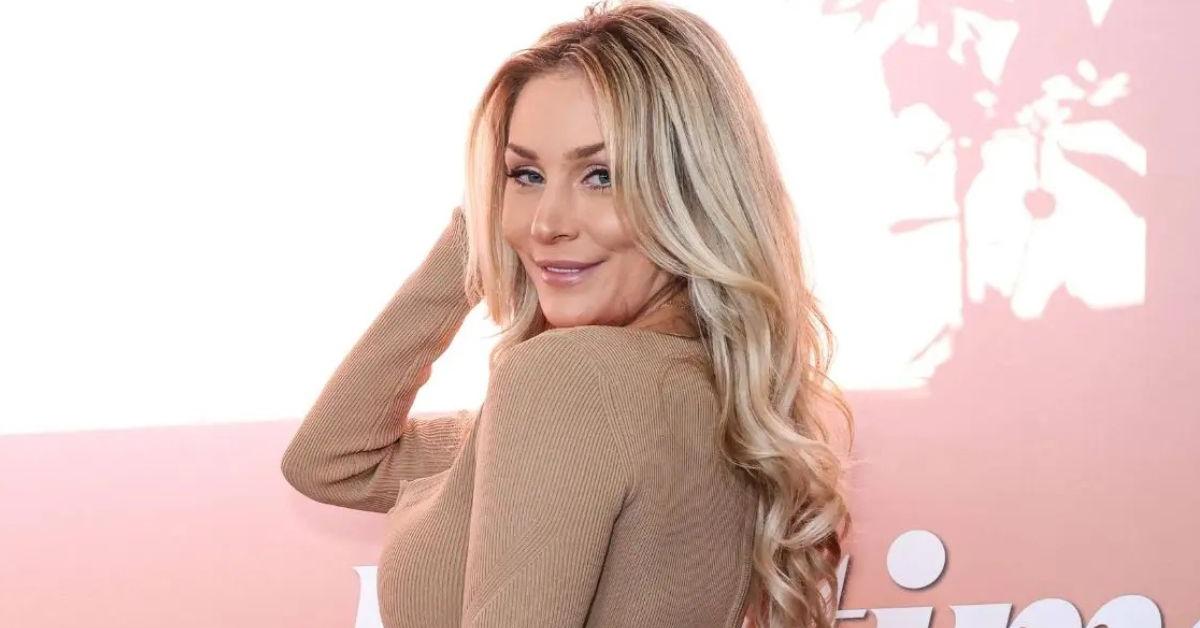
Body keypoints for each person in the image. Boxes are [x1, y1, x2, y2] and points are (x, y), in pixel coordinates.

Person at [281, 1, 855, 626]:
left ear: (691, 192)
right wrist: (478, 233)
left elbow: (332, 464)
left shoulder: (571, 379)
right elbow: (332, 462)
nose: (546, 224)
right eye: (525, 174)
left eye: (601, 175)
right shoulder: (709, 396)